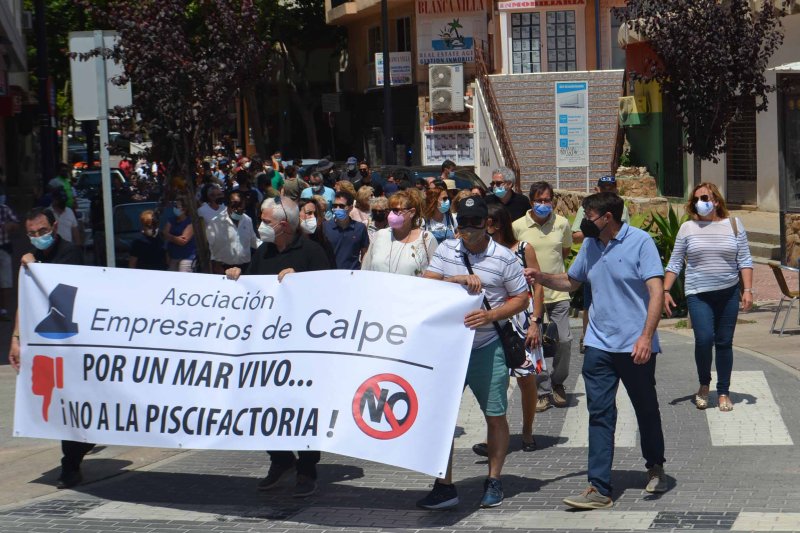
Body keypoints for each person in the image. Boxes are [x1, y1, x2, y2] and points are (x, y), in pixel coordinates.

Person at [527, 191, 667, 509]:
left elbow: (655, 292)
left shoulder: (641, 242)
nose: (583, 223)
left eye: (588, 217)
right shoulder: (590, 245)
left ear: (607, 218)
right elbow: (571, 282)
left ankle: (655, 465)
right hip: (598, 345)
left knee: (646, 408)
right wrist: (542, 277)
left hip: (635, 346)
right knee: (600, 414)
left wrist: (647, 336)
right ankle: (599, 487)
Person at [417, 196, 529, 510]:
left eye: (475, 223)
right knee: (441, 418)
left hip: (486, 346)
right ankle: (444, 485)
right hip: (450, 348)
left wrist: (491, 315)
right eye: (462, 223)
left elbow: (521, 298)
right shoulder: (447, 250)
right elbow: (426, 286)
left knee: (495, 415)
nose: (468, 229)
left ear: (487, 224)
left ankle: (493, 479)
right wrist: (456, 279)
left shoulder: (504, 258)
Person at [225, 197, 330, 497]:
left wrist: (303, 281)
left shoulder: (312, 252)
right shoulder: (264, 251)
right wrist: (237, 277)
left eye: (266, 220)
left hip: (303, 349)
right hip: (267, 347)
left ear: (283, 225)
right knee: (260, 406)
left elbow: (331, 293)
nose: (261, 225)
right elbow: (255, 292)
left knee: (302, 410)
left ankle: (307, 469)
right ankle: (281, 459)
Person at [8, 208, 93, 489]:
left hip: (72, 341)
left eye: (42, 231)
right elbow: (27, 299)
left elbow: (62, 289)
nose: (38, 237)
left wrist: (35, 267)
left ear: (54, 227)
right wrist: (16, 338)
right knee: (57, 399)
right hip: (46, 344)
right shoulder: (29, 260)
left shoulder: (69, 252)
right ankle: (75, 456)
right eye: (32, 234)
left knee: (72, 398)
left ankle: (71, 463)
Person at [664, 182, 753, 412]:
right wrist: (665, 290)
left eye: (704, 198)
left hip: (729, 292)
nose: (700, 203)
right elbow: (675, 262)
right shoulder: (687, 229)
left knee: (724, 343)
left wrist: (749, 290)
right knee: (704, 340)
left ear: (716, 201)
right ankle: (704, 385)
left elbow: (744, 260)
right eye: (696, 200)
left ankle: (723, 391)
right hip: (698, 294)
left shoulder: (733, 225)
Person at [471, 203, 545, 457]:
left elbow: (537, 287)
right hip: (495, 321)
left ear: (499, 224)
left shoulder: (523, 249)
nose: (485, 229)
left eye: (489, 223)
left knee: (526, 379)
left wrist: (535, 321)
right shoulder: (480, 253)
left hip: (523, 318)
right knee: (494, 379)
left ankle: (527, 430)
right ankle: (492, 435)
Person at [512, 181, 573, 412]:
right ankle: (543, 389)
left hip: (558, 292)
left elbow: (564, 250)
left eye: (548, 200)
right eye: (539, 200)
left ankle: (558, 383)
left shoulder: (562, 223)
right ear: (531, 201)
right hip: (529, 295)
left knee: (565, 341)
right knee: (534, 344)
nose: (544, 204)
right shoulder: (518, 226)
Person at [572, 175, 631, 353]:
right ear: (597, 188)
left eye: (610, 187)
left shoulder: (623, 209)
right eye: (604, 187)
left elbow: (622, 232)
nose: (607, 190)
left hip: (616, 262)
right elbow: (575, 237)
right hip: (594, 261)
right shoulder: (588, 209)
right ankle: (588, 337)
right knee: (590, 303)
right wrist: (594, 229)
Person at [362, 190, 437, 277]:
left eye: (396, 210)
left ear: (412, 212)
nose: (391, 214)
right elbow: (365, 269)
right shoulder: (380, 235)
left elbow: (434, 276)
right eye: (390, 210)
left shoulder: (426, 239)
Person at [207, 191, 259, 275]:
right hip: (224, 269)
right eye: (234, 206)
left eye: (240, 206)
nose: (237, 209)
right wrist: (215, 265)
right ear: (227, 205)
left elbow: (253, 241)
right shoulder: (215, 223)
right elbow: (210, 247)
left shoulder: (247, 220)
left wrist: (267, 246)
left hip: (245, 268)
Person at [323, 191, 370, 270]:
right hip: (330, 274)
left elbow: (364, 252)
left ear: (350, 208)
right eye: (335, 206)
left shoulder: (360, 228)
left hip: (352, 274)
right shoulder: (325, 227)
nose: (337, 209)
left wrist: (362, 271)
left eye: (341, 206)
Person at [297, 197, 336, 267]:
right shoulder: (289, 243)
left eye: (315, 213)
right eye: (309, 213)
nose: (313, 217)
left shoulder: (323, 242)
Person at [164, 197, 196, 272]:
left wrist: (169, 236)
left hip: (187, 257)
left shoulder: (191, 221)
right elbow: (164, 234)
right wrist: (176, 238)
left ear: (184, 208)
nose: (174, 208)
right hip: (173, 257)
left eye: (177, 206)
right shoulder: (171, 219)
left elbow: (182, 241)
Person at [0, 201, 19, 320]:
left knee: (6, 281)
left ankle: (4, 310)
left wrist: (10, 226)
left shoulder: (4, 209)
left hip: (3, 248)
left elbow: (16, 223)